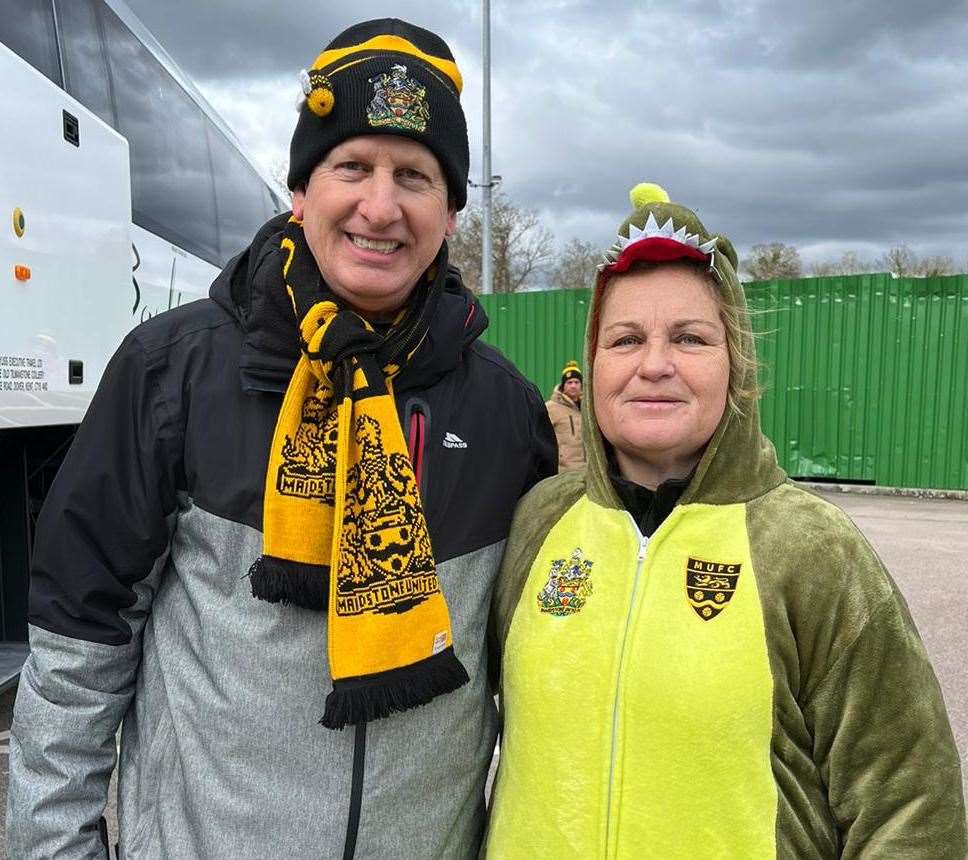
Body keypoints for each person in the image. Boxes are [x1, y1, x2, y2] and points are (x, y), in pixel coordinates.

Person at [7, 19, 556, 859]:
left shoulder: (508, 415)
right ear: (301, 192)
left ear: (450, 212)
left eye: (414, 175)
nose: (381, 206)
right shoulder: (171, 372)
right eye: (351, 167)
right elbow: (78, 654)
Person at [486, 184, 966, 857]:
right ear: (592, 365)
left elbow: (910, 810)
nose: (655, 365)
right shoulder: (538, 523)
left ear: (735, 368)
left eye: (690, 337)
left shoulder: (812, 551)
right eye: (625, 339)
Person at [545, 360, 586, 471]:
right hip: (563, 472)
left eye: (577, 382)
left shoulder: (587, 408)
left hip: (586, 472)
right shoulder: (551, 408)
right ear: (563, 386)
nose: (573, 386)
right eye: (569, 382)